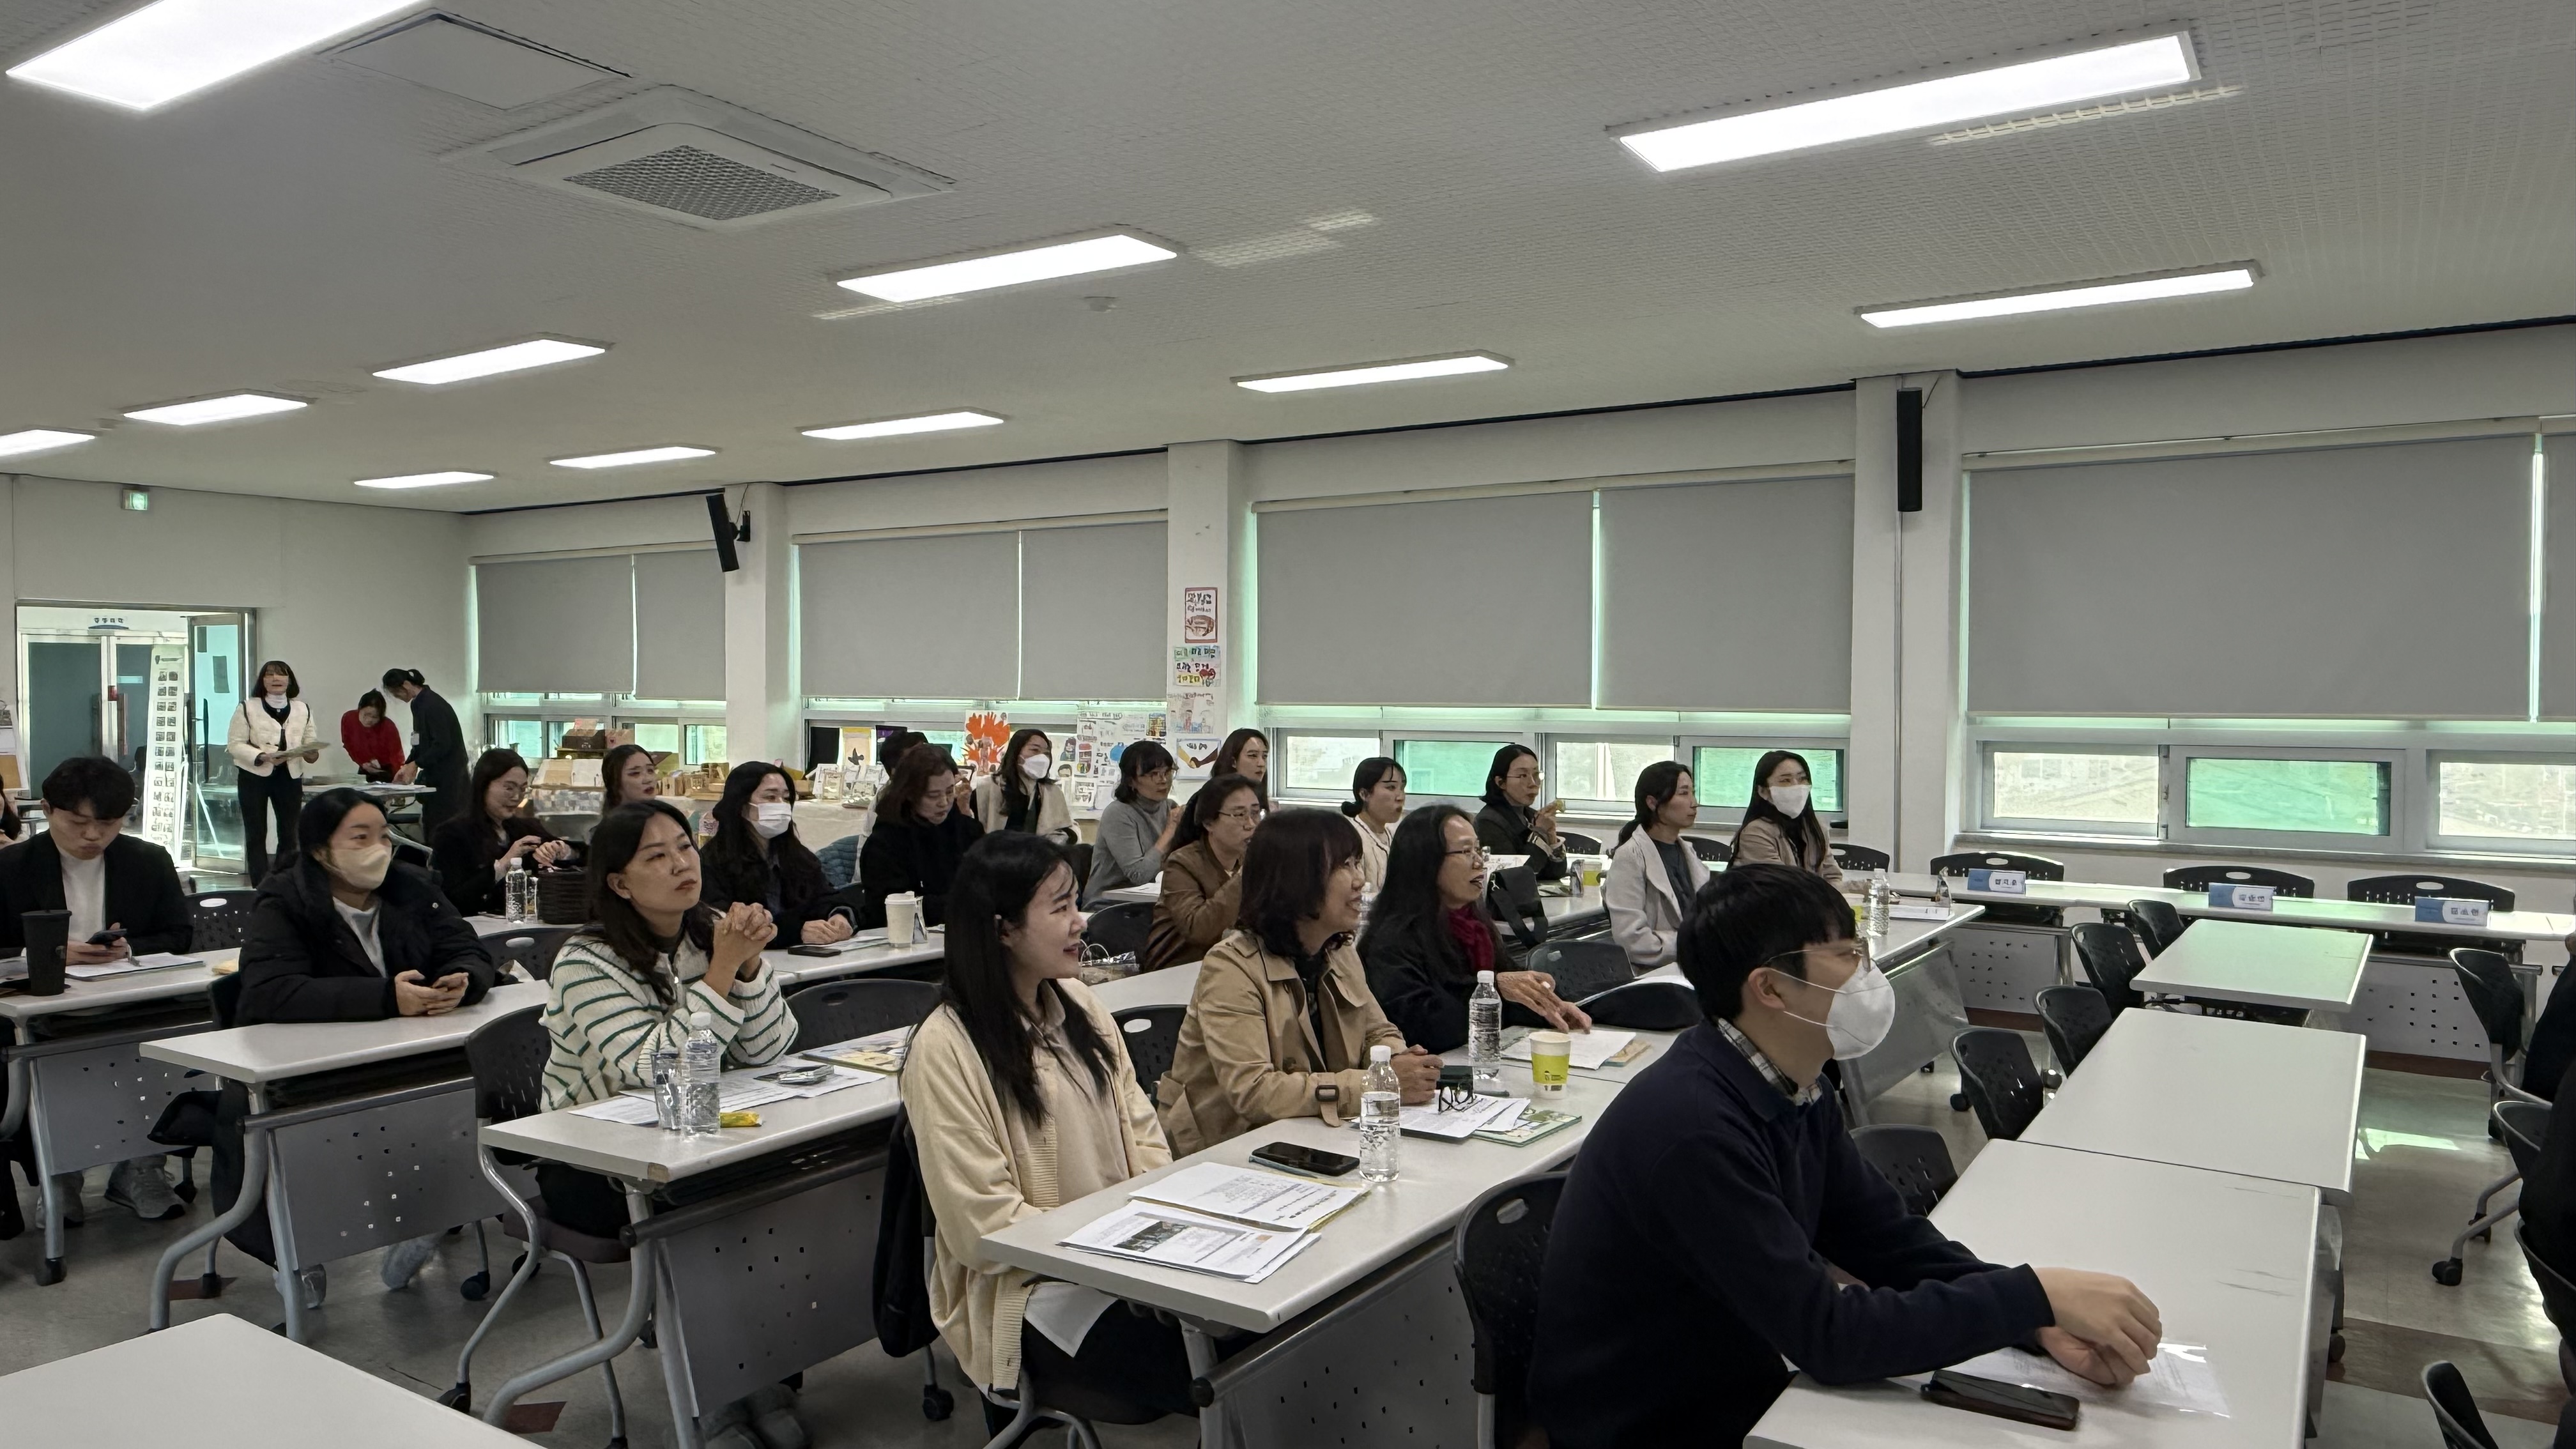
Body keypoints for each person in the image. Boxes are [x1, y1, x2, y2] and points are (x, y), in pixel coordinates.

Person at [1528, 864, 2163, 1447]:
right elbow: (1829, 1335)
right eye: (1846, 954)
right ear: (1771, 989)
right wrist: (2030, 1297)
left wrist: (2030, 1317)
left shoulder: (1794, 1085)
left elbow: (1887, 1242)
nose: (1868, 971)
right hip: (1652, 1424)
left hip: (1731, 1378)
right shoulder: (1693, 1127)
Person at [901, 832, 1195, 1427]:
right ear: (1002, 929)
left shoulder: (1080, 1006)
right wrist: (1114, 1247)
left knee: (1257, 1336)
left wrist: (1161, 1232)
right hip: (1034, 1288)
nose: (1081, 921)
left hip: (1127, 1259)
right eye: (1060, 908)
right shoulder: (945, 1049)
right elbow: (983, 1227)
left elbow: (1142, 1132)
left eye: (1076, 902)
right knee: (1210, 1366)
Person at [539, 799, 801, 1449]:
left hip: (698, 1138)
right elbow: (663, 1071)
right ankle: (712, 1394)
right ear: (620, 883)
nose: (681, 864)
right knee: (705, 1211)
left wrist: (746, 967)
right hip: (595, 1161)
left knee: (787, 1183)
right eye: (656, 856)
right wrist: (722, 971)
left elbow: (770, 1050)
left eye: (684, 846)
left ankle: (757, 1365)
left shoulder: (709, 931)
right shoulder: (584, 961)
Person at [226, 788, 500, 1285]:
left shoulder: (412, 887)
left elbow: (466, 947)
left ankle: (431, 1213)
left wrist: (464, 980)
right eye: (360, 837)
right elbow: (270, 992)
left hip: (413, 1052)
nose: (379, 848)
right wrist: (384, 999)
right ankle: (307, 1249)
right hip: (324, 1070)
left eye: (383, 836)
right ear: (320, 848)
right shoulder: (285, 900)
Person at [1154, 809, 1441, 1154]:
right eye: (1344, 866)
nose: (1359, 880)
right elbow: (1254, 1092)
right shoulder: (1231, 967)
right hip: (1231, 1149)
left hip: (1315, 1135)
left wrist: (1396, 1062)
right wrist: (1375, 1084)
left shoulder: (1338, 950)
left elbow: (1377, 1031)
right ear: (1295, 879)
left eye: (1357, 863)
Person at [0, 757, 192, 1222]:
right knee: (55, 1078)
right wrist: (44, 953)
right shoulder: (11, 867)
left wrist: (127, 949)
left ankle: (143, 1168)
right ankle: (60, 1177)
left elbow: (178, 935)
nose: (92, 837)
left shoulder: (147, 860)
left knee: (157, 1062)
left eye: (107, 824)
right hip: (44, 1011)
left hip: (130, 1003)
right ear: (47, 810)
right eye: (78, 823)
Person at [1360, 806, 1589, 1051]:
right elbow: (1424, 1027)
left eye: (1479, 849)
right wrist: (1491, 990)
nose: (1480, 862)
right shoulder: (1391, 940)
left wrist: (1552, 1007)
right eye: (1467, 851)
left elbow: (1511, 996)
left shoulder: (1475, 924)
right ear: (1426, 861)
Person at [700, 762, 857, 945]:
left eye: (786, 798)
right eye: (771, 797)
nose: (781, 805)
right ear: (741, 805)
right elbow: (725, 924)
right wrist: (795, 932)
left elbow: (826, 895)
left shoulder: (797, 856)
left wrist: (839, 915)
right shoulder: (712, 862)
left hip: (810, 961)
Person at [430, 749, 575, 917]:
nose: (516, 797)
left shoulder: (524, 828)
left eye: (522, 789)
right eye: (509, 788)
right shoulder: (452, 834)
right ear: (484, 786)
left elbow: (582, 854)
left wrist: (561, 849)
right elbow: (452, 899)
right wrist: (505, 864)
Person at [1141, 773, 1261, 972]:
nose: (1251, 824)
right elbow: (1199, 930)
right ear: (1209, 823)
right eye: (1240, 815)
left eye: (1256, 813)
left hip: (1232, 970)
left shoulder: (1244, 859)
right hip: (1177, 972)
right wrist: (1247, 873)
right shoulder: (1182, 863)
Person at [855, 744, 983, 930]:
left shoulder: (968, 831)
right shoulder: (885, 843)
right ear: (910, 795)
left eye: (949, 792)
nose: (944, 803)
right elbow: (886, 910)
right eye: (933, 796)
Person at [1604, 761, 1709, 969]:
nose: (1694, 803)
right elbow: (1632, 941)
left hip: (1694, 966)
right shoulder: (1630, 857)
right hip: (1656, 973)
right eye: (1683, 793)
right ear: (1652, 803)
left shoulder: (1687, 851)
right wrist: (1690, 944)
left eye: (1693, 793)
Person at [226, 659, 322, 881]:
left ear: (289, 680)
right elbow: (235, 744)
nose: (276, 679)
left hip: (289, 776)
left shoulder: (303, 709)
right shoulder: (247, 707)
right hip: (254, 776)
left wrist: (311, 753)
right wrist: (261, 756)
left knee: (289, 834)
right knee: (256, 833)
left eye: (281, 675)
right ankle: (259, 884)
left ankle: (285, 880)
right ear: (263, 681)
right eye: (270, 675)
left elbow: (311, 743)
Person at [1729, 748, 1843, 885]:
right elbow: (1783, 886)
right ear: (1764, 791)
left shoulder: (1815, 826)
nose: (1797, 786)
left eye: (1802, 779)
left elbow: (1833, 877)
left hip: (1813, 903)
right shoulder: (1755, 833)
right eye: (1785, 780)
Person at [1086, 740, 1177, 907]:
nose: (1163, 780)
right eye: (1154, 774)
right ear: (1131, 781)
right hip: (1108, 904)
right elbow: (1139, 875)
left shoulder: (1170, 808)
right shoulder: (1118, 813)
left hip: (1153, 901)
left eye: (1168, 772)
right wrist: (1170, 831)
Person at [382, 668, 469, 834]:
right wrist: (407, 766)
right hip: (435, 778)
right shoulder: (418, 704)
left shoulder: (432, 705)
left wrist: (416, 764)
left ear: (406, 685)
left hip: (449, 781)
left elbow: (442, 744)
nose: (397, 698)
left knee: (443, 831)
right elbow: (420, 743)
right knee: (431, 827)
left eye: (395, 693)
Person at [1474, 744, 1567, 882]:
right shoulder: (1488, 822)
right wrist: (1540, 832)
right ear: (1501, 782)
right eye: (1523, 775)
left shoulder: (1530, 815)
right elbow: (1518, 876)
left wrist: (1551, 837)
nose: (1533, 783)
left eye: (1536, 775)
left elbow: (1556, 873)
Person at [969, 727, 1076, 845]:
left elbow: (1067, 827)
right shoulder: (987, 788)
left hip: (1038, 859)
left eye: (1046, 753)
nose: (1043, 758)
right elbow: (970, 830)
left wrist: (1061, 838)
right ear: (1016, 753)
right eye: (1035, 750)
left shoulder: (1052, 792)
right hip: (995, 858)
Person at [1172, 727, 1271, 842]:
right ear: (1233, 761)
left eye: (1264, 756)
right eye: (1253, 756)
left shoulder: (1259, 796)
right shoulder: (1208, 797)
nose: (1261, 763)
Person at [1341, 756, 1405, 890]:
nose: (1400, 797)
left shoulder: (1395, 833)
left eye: (1402, 788)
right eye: (1391, 787)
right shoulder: (1351, 839)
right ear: (1364, 794)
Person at [340, 689, 406, 785]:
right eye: (366, 715)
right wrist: (362, 763)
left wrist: (399, 779)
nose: (369, 720)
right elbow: (348, 744)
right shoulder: (349, 719)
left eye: (375, 717)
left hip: (387, 771)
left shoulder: (388, 727)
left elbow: (397, 756)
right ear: (360, 709)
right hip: (365, 767)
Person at [599, 741, 660, 812]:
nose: (648, 779)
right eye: (636, 773)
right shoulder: (615, 822)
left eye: (650, 771)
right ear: (615, 783)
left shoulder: (664, 820)